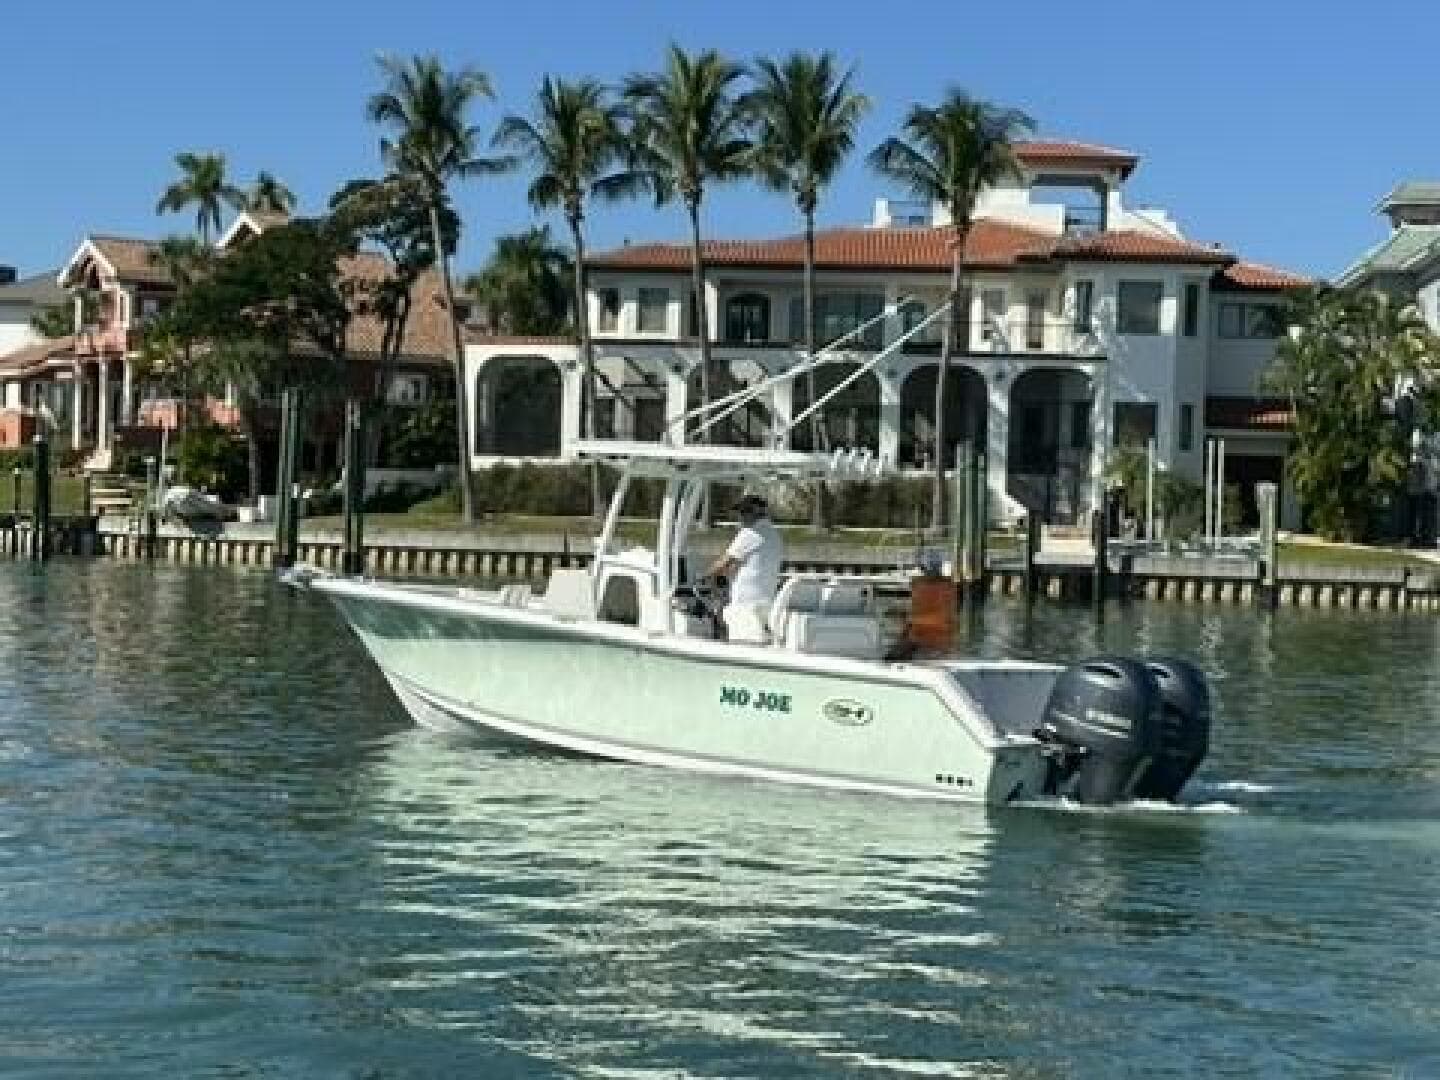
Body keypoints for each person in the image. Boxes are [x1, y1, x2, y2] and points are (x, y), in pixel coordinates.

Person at [708, 493, 783, 644]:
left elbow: (721, 565)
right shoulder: (774, 534)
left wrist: (703, 577)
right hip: (767, 602)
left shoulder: (749, 533)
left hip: (745, 603)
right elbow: (753, 562)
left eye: (742, 512)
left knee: (716, 615)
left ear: (753, 513)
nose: (740, 518)